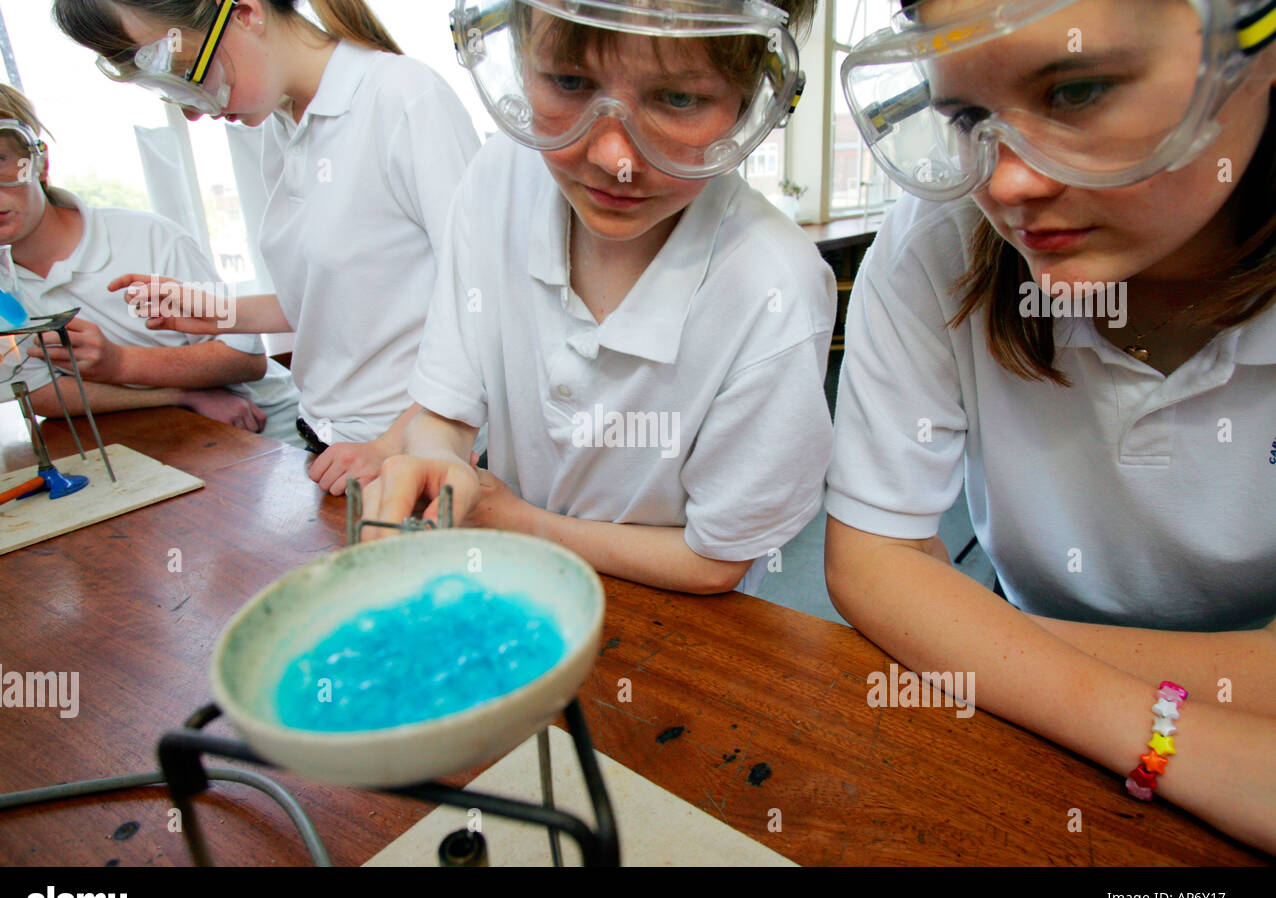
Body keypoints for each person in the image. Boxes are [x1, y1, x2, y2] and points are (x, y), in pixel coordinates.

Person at [824, 0, 1276, 852]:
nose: (1006, 183)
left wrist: (971, 640)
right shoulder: (936, 244)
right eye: (964, 116)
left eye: (1077, 91)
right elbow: (874, 564)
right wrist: (1180, 741)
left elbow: (909, 600)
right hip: (1034, 732)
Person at [362, 0, 835, 595]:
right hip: (509, 589)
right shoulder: (499, 178)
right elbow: (447, 409)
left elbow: (715, 560)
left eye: (679, 99)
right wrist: (440, 463)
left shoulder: (773, 288)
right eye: (568, 81)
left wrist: (517, 521)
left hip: (677, 627)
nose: (615, 159)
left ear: (749, 100)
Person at [53, 0, 480, 490]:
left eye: (183, 73)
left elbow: (486, 310)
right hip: (334, 446)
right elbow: (342, 299)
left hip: (417, 454)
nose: (194, 111)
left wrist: (394, 443)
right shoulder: (286, 125)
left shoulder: (402, 96)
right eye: (166, 92)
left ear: (247, 12)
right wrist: (219, 313)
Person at [0, 71, 298, 439]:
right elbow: (40, 395)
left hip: (273, 431)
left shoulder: (148, 237)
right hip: (163, 439)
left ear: (39, 163)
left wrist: (118, 363)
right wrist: (180, 394)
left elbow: (245, 358)